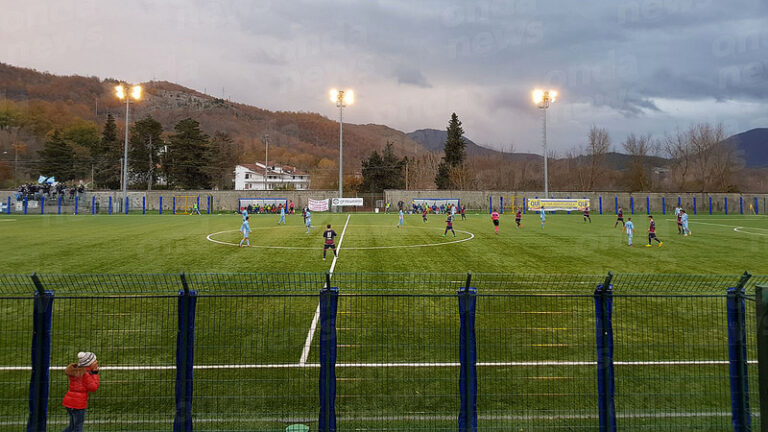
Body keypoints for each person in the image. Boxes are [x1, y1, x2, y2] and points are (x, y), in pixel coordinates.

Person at [62, 352, 99, 432]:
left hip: (69, 403)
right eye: (94, 361)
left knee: (72, 426)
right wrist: (95, 374)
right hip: (78, 405)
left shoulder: (77, 371)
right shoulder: (85, 375)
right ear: (89, 364)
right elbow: (93, 387)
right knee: (78, 428)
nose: (96, 362)